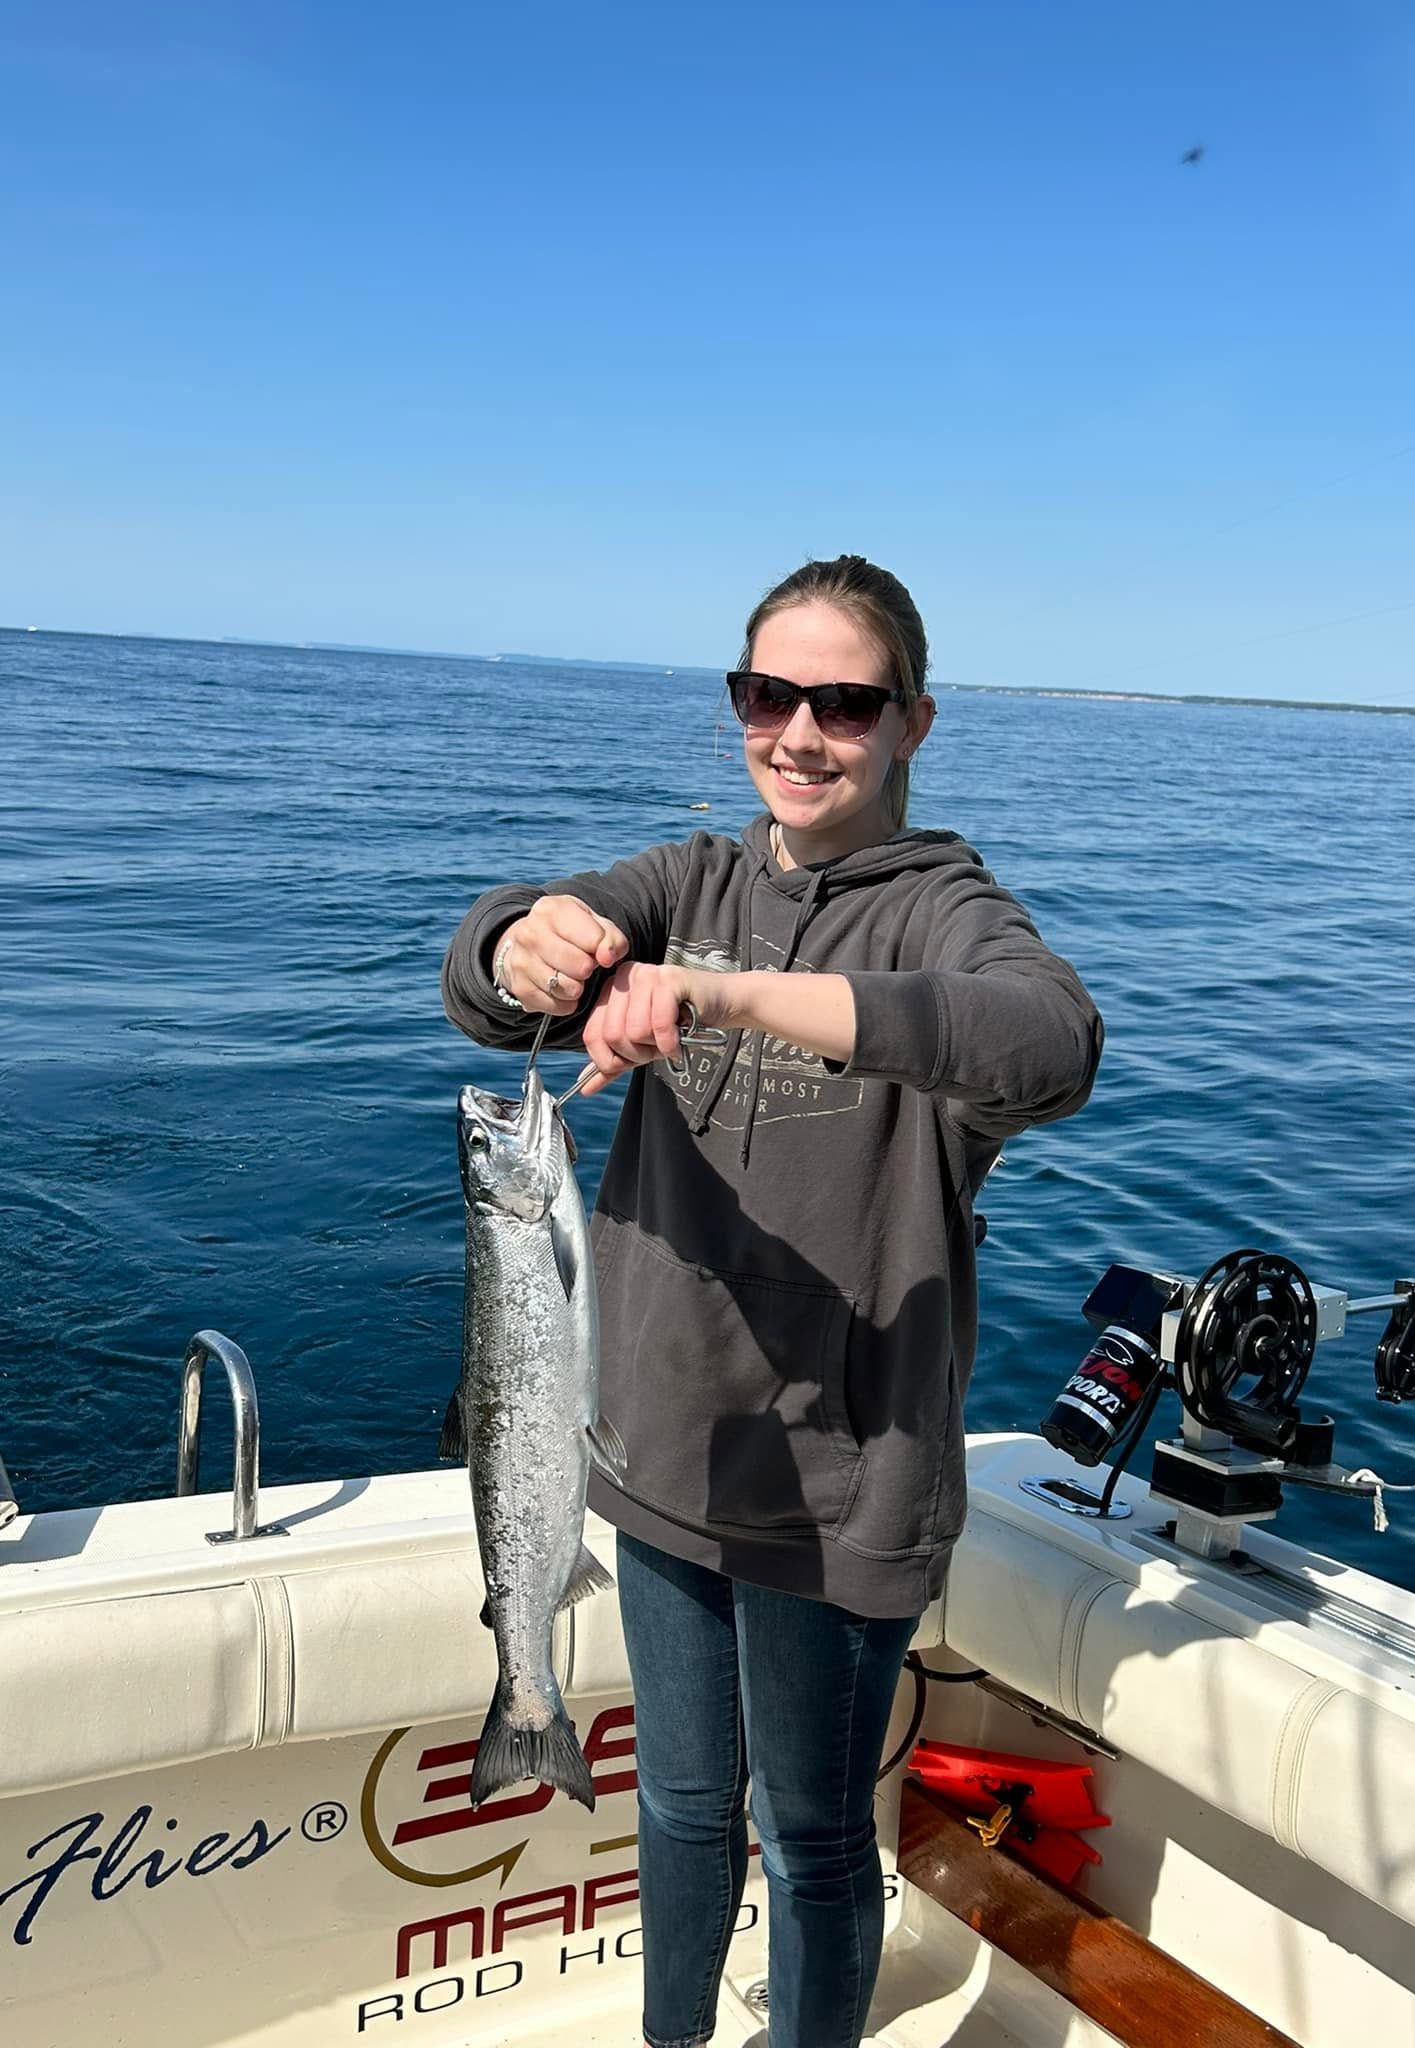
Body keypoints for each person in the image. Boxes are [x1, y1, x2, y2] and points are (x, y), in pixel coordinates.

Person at [441, 554, 1102, 2048]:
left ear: (914, 722)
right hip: (659, 1455)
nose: (799, 732)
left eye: (844, 703)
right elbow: (490, 976)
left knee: (810, 1841)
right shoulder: (688, 879)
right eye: (765, 694)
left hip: (837, 1487)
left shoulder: (951, 914)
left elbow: (1048, 1041)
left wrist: (725, 996)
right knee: (678, 1804)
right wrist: (524, 940)